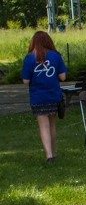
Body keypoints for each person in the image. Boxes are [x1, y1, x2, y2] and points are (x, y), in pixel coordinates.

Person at [22, 31, 67, 163]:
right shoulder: (55, 56)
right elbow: (63, 77)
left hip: (38, 97)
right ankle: (53, 152)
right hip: (53, 95)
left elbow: (25, 81)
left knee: (44, 126)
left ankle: (49, 156)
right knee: (52, 125)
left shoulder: (29, 58)